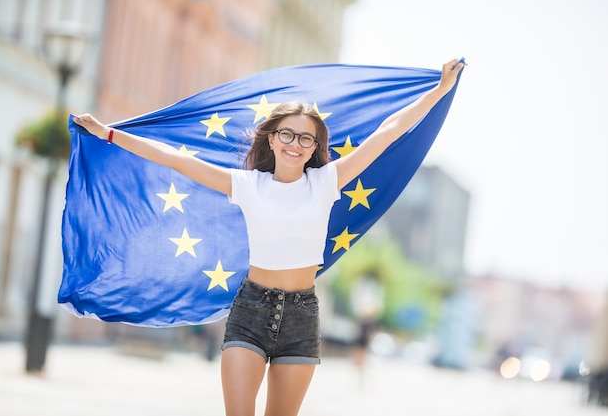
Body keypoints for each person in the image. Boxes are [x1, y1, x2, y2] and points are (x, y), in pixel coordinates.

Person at [73, 58, 465, 416]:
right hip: (251, 312)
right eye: (288, 135)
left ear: (315, 148)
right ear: (273, 138)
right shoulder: (247, 185)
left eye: (306, 139)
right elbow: (177, 159)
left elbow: (388, 131)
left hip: (302, 316)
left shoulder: (327, 181)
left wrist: (439, 90)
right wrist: (107, 133)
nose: (296, 144)